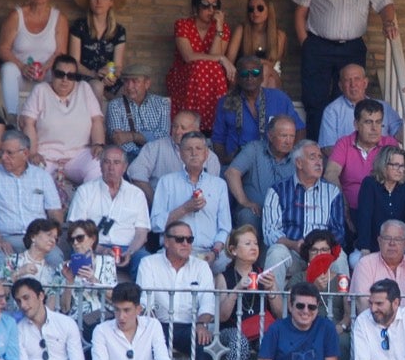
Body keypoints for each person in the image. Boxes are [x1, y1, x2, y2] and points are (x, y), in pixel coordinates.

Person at [293, 0, 397, 140]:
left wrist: (388, 22)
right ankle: (316, 150)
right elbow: (300, 12)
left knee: (350, 100)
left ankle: (345, 151)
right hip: (318, 46)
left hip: (351, 48)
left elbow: (386, 4)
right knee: (315, 101)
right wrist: (306, 44)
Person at [136, 221, 217, 360]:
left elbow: (208, 302)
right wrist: (152, 327)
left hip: (191, 326)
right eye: (180, 239)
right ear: (166, 241)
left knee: (203, 342)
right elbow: (145, 303)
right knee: (151, 340)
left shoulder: (201, 266)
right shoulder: (148, 263)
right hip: (159, 324)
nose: (186, 244)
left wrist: (202, 324)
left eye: (189, 239)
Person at [0, 130, 65, 272]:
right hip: (4, 238)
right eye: (2, 152)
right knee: (2, 265)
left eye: (9, 153)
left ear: (25, 154)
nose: (3, 157)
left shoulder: (42, 176)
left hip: (38, 239)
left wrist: (52, 237)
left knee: (56, 261)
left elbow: (55, 212)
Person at [262, 140, 346, 288]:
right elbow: (270, 233)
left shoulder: (332, 191)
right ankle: (276, 308)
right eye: (312, 157)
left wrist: (321, 248)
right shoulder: (278, 190)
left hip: (323, 253)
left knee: (340, 258)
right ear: (299, 163)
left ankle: (344, 309)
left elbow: (338, 231)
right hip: (291, 252)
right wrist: (293, 245)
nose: (319, 162)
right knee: (276, 253)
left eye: (320, 157)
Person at [217, 225, 282, 360]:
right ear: (233, 250)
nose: (254, 247)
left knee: (273, 341)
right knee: (240, 343)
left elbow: (280, 313)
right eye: (247, 243)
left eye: (255, 243)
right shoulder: (224, 277)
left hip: (259, 329)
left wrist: (272, 289)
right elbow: (222, 316)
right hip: (231, 330)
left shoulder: (263, 274)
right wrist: (237, 288)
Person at [150, 132, 231, 268]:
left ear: (206, 154)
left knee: (228, 262)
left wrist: (215, 252)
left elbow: (225, 228)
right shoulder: (167, 182)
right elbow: (156, 224)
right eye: (188, 149)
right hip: (176, 251)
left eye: (199, 149)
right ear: (181, 154)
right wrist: (184, 209)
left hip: (210, 252)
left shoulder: (219, 185)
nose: (194, 153)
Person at [66, 145, 148, 281]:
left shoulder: (137, 194)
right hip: (93, 246)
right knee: (80, 253)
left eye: (116, 163)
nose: (111, 167)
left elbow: (141, 232)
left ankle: (140, 301)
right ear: (100, 165)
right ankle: (86, 300)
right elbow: (75, 229)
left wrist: (130, 252)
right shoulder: (85, 191)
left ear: (125, 167)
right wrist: (100, 249)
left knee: (144, 260)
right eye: (107, 162)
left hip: (127, 248)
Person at [0, 0, 68, 119]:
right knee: (8, 69)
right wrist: (22, 66)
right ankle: (11, 117)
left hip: (47, 74)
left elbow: (61, 52)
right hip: (21, 74)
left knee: (62, 72)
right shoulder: (16, 16)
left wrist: (45, 67)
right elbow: (2, 48)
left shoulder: (58, 18)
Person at [324, 99, 400, 232]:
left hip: (381, 211)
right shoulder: (345, 143)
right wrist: (343, 204)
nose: (374, 128)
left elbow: (398, 176)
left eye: (378, 122)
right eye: (368, 122)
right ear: (356, 124)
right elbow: (331, 173)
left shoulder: (390, 144)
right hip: (350, 209)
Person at [166, 0, 233, 135]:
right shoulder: (183, 25)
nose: (211, 9)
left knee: (211, 67)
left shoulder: (223, 29)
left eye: (215, 6)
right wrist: (221, 58)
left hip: (210, 80)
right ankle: (195, 125)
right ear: (196, 7)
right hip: (184, 77)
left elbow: (214, 58)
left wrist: (219, 28)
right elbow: (188, 56)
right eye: (205, 5)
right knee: (200, 66)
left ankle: (212, 127)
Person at [212, 55, 303, 164]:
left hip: (273, 162)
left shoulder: (279, 98)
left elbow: (299, 129)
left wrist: (291, 157)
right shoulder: (225, 102)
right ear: (237, 77)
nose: (249, 77)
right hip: (237, 163)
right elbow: (218, 139)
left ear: (262, 77)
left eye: (255, 73)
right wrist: (224, 161)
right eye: (244, 74)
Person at [128, 110, 220, 205]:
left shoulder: (210, 157)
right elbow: (136, 174)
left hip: (197, 208)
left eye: (183, 128)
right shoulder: (155, 147)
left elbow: (212, 192)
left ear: (196, 131)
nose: (177, 131)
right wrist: (156, 203)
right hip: (160, 206)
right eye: (175, 126)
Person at [225, 115, 298, 232]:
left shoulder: (297, 157)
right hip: (256, 212)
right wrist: (245, 201)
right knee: (247, 215)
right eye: (283, 136)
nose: (288, 141)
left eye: (292, 136)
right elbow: (231, 173)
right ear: (270, 135)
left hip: (285, 214)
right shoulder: (254, 149)